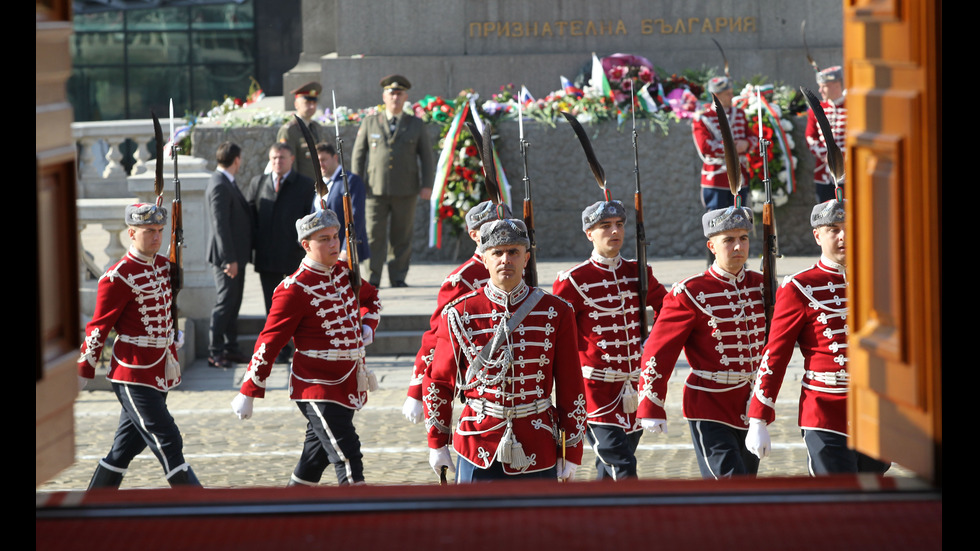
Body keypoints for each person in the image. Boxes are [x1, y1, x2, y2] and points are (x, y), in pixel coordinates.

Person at [423, 219, 586, 482]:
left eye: (513, 252)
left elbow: (571, 386)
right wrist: (437, 442)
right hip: (477, 443)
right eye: (497, 253)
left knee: (537, 524)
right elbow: (440, 381)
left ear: (526, 258)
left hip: (538, 441)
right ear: (485, 259)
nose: (505, 260)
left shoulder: (556, 311)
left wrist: (572, 449)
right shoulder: (460, 312)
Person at [230, 209, 382, 486]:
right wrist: (249, 389)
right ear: (306, 245)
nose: (334, 244)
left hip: (347, 380)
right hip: (316, 384)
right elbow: (270, 340)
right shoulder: (294, 288)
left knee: (314, 460)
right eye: (324, 239)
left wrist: (367, 326)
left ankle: (285, 515)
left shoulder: (343, 273)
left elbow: (372, 300)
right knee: (347, 454)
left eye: (336, 237)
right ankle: (361, 521)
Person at [745, 199, 889, 475]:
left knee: (873, 506)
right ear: (817, 235)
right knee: (837, 504)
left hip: (873, 412)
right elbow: (776, 354)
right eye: (833, 229)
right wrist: (758, 419)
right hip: (824, 412)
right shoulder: (800, 287)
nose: (843, 236)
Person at [637, 206, 766, 479]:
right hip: (709, 405)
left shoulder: (762, 285)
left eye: (743, 238)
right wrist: (651, 402)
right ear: (712, 246)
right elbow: (660, 349)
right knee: (728, 484)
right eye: (728, 240)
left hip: (750, 404)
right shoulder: (690, 291)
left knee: (747, 485)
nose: (738, 246)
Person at [78, 203, 200, 489]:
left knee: (124, 450)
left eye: (159, 231)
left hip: (159, 368)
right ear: (131, 233)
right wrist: (84, 369)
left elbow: (167, 306)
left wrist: (172, 333)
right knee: (168, 439)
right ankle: (198, 505)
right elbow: (98, 326)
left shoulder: (163, 267)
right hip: (132, 374)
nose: (156, 238)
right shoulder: (117, 277)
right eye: (149, 232)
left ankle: (93, 505)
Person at [552, 200, 667, 480]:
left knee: (611, 467)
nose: (614, 231)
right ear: (589, 233)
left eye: (619, 225)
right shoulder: (574, 280)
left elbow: (669, 309)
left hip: (633, 389)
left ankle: (599, 519)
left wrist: (650, 342)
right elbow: (556, 333)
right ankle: (633, 521)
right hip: (595, 393)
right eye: (605, 226)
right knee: (623, 467)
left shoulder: (637, 272)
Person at [401, 200, 512, 424]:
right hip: (485, 375)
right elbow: (437, 335)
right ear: (474, 235)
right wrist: (416, 388)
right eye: (490, 227)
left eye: (504, 224)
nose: (499, 232)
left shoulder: (519, 267)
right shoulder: (463, 279)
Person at [351, 74, 435, 288]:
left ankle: (398, 276)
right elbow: (358, 156)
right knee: (372, 236)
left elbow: (426, 156)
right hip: (373, 190)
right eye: (391, 93)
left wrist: (427, 185)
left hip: (406, 189)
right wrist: (355, 184)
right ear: (384, 96)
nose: (395, 97)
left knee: (402, 236)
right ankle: (373, 277)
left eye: (399, 93)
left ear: (405, 97)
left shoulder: (415, 124)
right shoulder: (371, 122)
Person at [248, 143, 316, 314]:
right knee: (272, 307)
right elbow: (250, 218)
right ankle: (276, 341)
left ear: (292, 159)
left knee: (295, 304)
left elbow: (310, 218)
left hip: (294, 256)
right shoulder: (258, 183)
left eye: (282, 157)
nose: (278, 161)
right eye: (274, 158)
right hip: (267, 258)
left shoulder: (306, 185)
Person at [205, 141, 253, 368]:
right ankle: (215, 351)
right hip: (227, 258)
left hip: (236, 256)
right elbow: (220, 225)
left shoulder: (226, 182)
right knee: (225, 303)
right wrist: (229, 259)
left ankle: (230, 348)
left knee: (234, 303)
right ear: (237, 160)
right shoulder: (219, 185)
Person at [692, 76, 756, 211]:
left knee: (740, 221)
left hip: (740, 177)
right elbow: (704, 146)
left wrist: (746, 144)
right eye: (728, 94)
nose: (732, 96)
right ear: (716, 95)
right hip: (716, 179)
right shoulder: (703, 118)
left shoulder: (739, 114)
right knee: (717, 224)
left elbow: (753, 138)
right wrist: (732, 149)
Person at [311, 141, 369, 262]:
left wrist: (346, 249)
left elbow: (355, 217)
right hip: (323, 250)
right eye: (317, 162)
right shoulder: (320, 183)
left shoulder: (350, 181)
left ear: (335, 158)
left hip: (342, 250)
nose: (320, 165)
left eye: (323, 160)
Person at [806, 66, 847, 203]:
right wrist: (826, 155)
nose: (820, 90)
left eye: (824, 86)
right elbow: (810, 137)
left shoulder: (852, 106)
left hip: (849, 173)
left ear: (836, 85)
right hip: (824, 174)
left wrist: (840, 156)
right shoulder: (816, 110)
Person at [277, 81, 324, 181]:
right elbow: (288, 165)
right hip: (301, 187)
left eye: (314, 102)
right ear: (296, 104)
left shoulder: (317, 127)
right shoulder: (289, 131)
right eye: (307, 102)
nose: (312, 106)